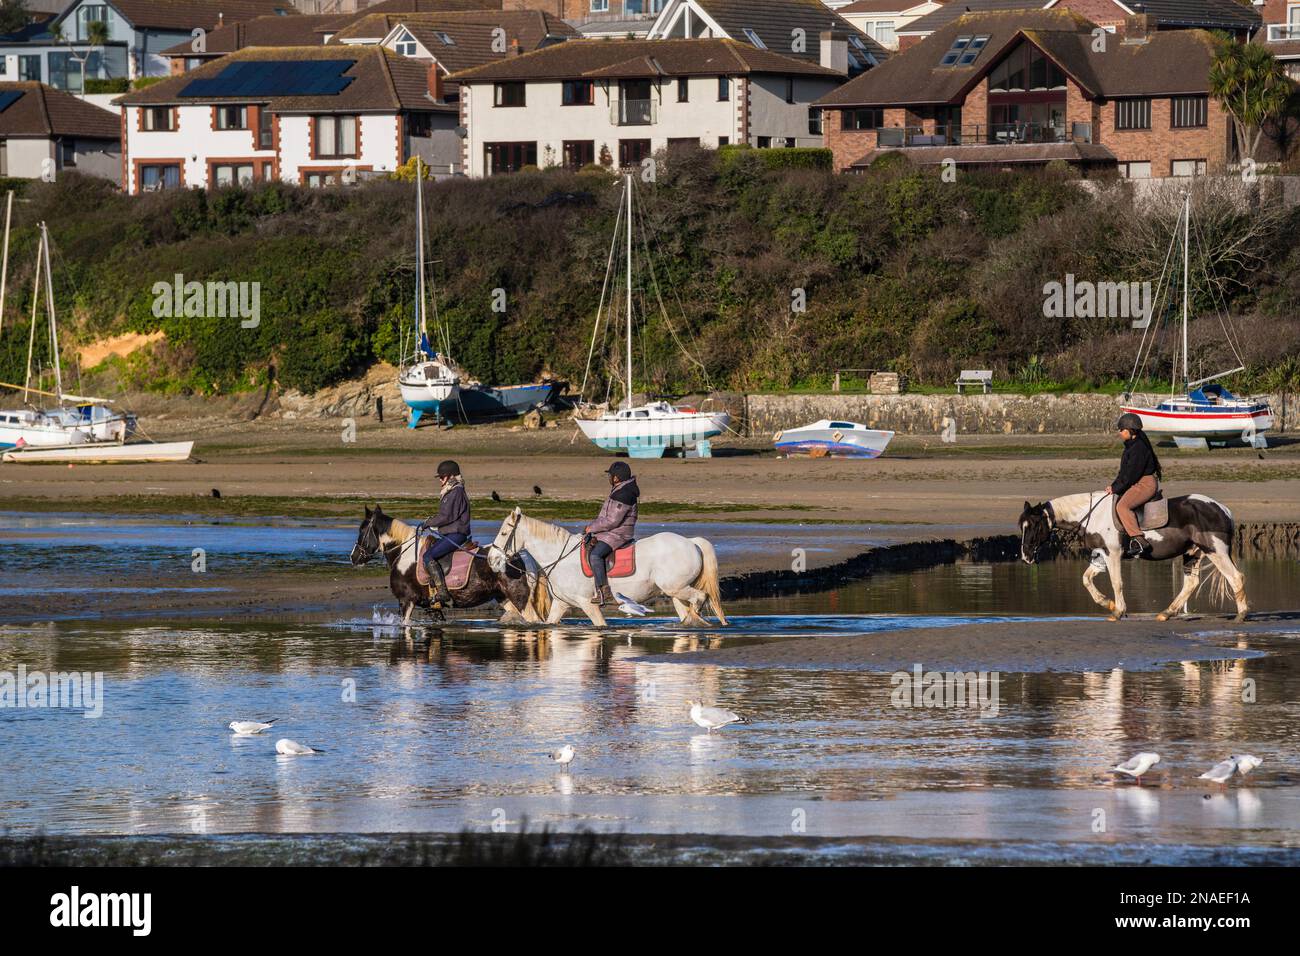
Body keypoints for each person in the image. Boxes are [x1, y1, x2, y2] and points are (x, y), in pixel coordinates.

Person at [583, 461, 639, 606]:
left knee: (595, 555)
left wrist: (591, 528)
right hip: (612, 531)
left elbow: (612, 521)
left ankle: (604, 592)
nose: (608, 477)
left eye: (610, 475)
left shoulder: (624, 493)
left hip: (618, 533)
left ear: (616, 478)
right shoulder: (619, 489)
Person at [1107, 412, 1161, 556]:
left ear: (1130, 431)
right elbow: (1123, 472)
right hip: (1137, 481)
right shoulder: (1130, 446)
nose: (1119, 432)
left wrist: (1117, 487)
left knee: (1122, 506)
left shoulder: (1138, 448)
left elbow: (1131, 475)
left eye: (1121, 430)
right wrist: (1113, 486)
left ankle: (1139, 540)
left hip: (1145, 483)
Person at [422, 460, 471, 607]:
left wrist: (428, 522)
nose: (440, 481)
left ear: (450, 477)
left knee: (428, 555)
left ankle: (442, 591)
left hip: (457, 534)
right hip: (452, 532)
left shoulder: (455, 492)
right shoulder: (453, 491)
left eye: (442, 477)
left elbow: (446, 517)